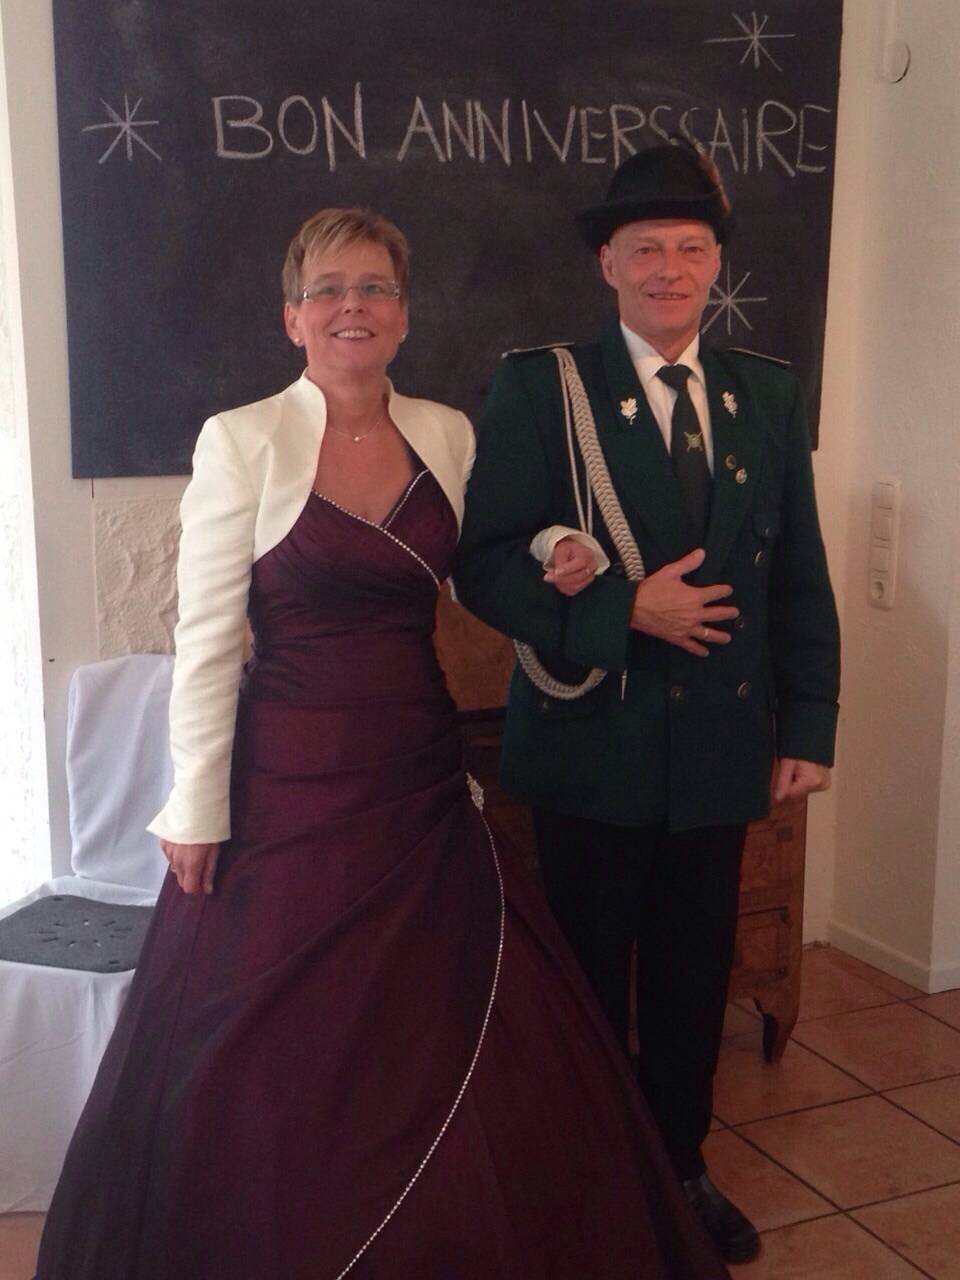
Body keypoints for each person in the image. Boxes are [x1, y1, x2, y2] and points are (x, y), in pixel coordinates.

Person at [34, 207, 732, 1279]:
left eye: (374, 288)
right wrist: (197, 806)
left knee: (453, 1017)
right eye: (327, 288)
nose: (350, 306)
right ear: (292, 316)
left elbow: (496, 546)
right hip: (290, 786)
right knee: (276, 1037)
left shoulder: (447, 431)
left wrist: (559, 545)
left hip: (418, 772)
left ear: (404, 314)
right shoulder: (240, 439)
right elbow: (207, 639)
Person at [454, 143, 841, 1266]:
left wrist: (808, 723)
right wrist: (628, 608)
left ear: (716, 262)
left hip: (719, 746)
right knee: (585, 977)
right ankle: (586, 1172)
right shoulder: (544, 387)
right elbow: (485, 566)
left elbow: (797, 572)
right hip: (594, 743)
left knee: (691, 976)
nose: (670, 268)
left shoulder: (764, 392)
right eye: (646, 249)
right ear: (608, 264)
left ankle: (680, 1166)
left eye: (691, 247)